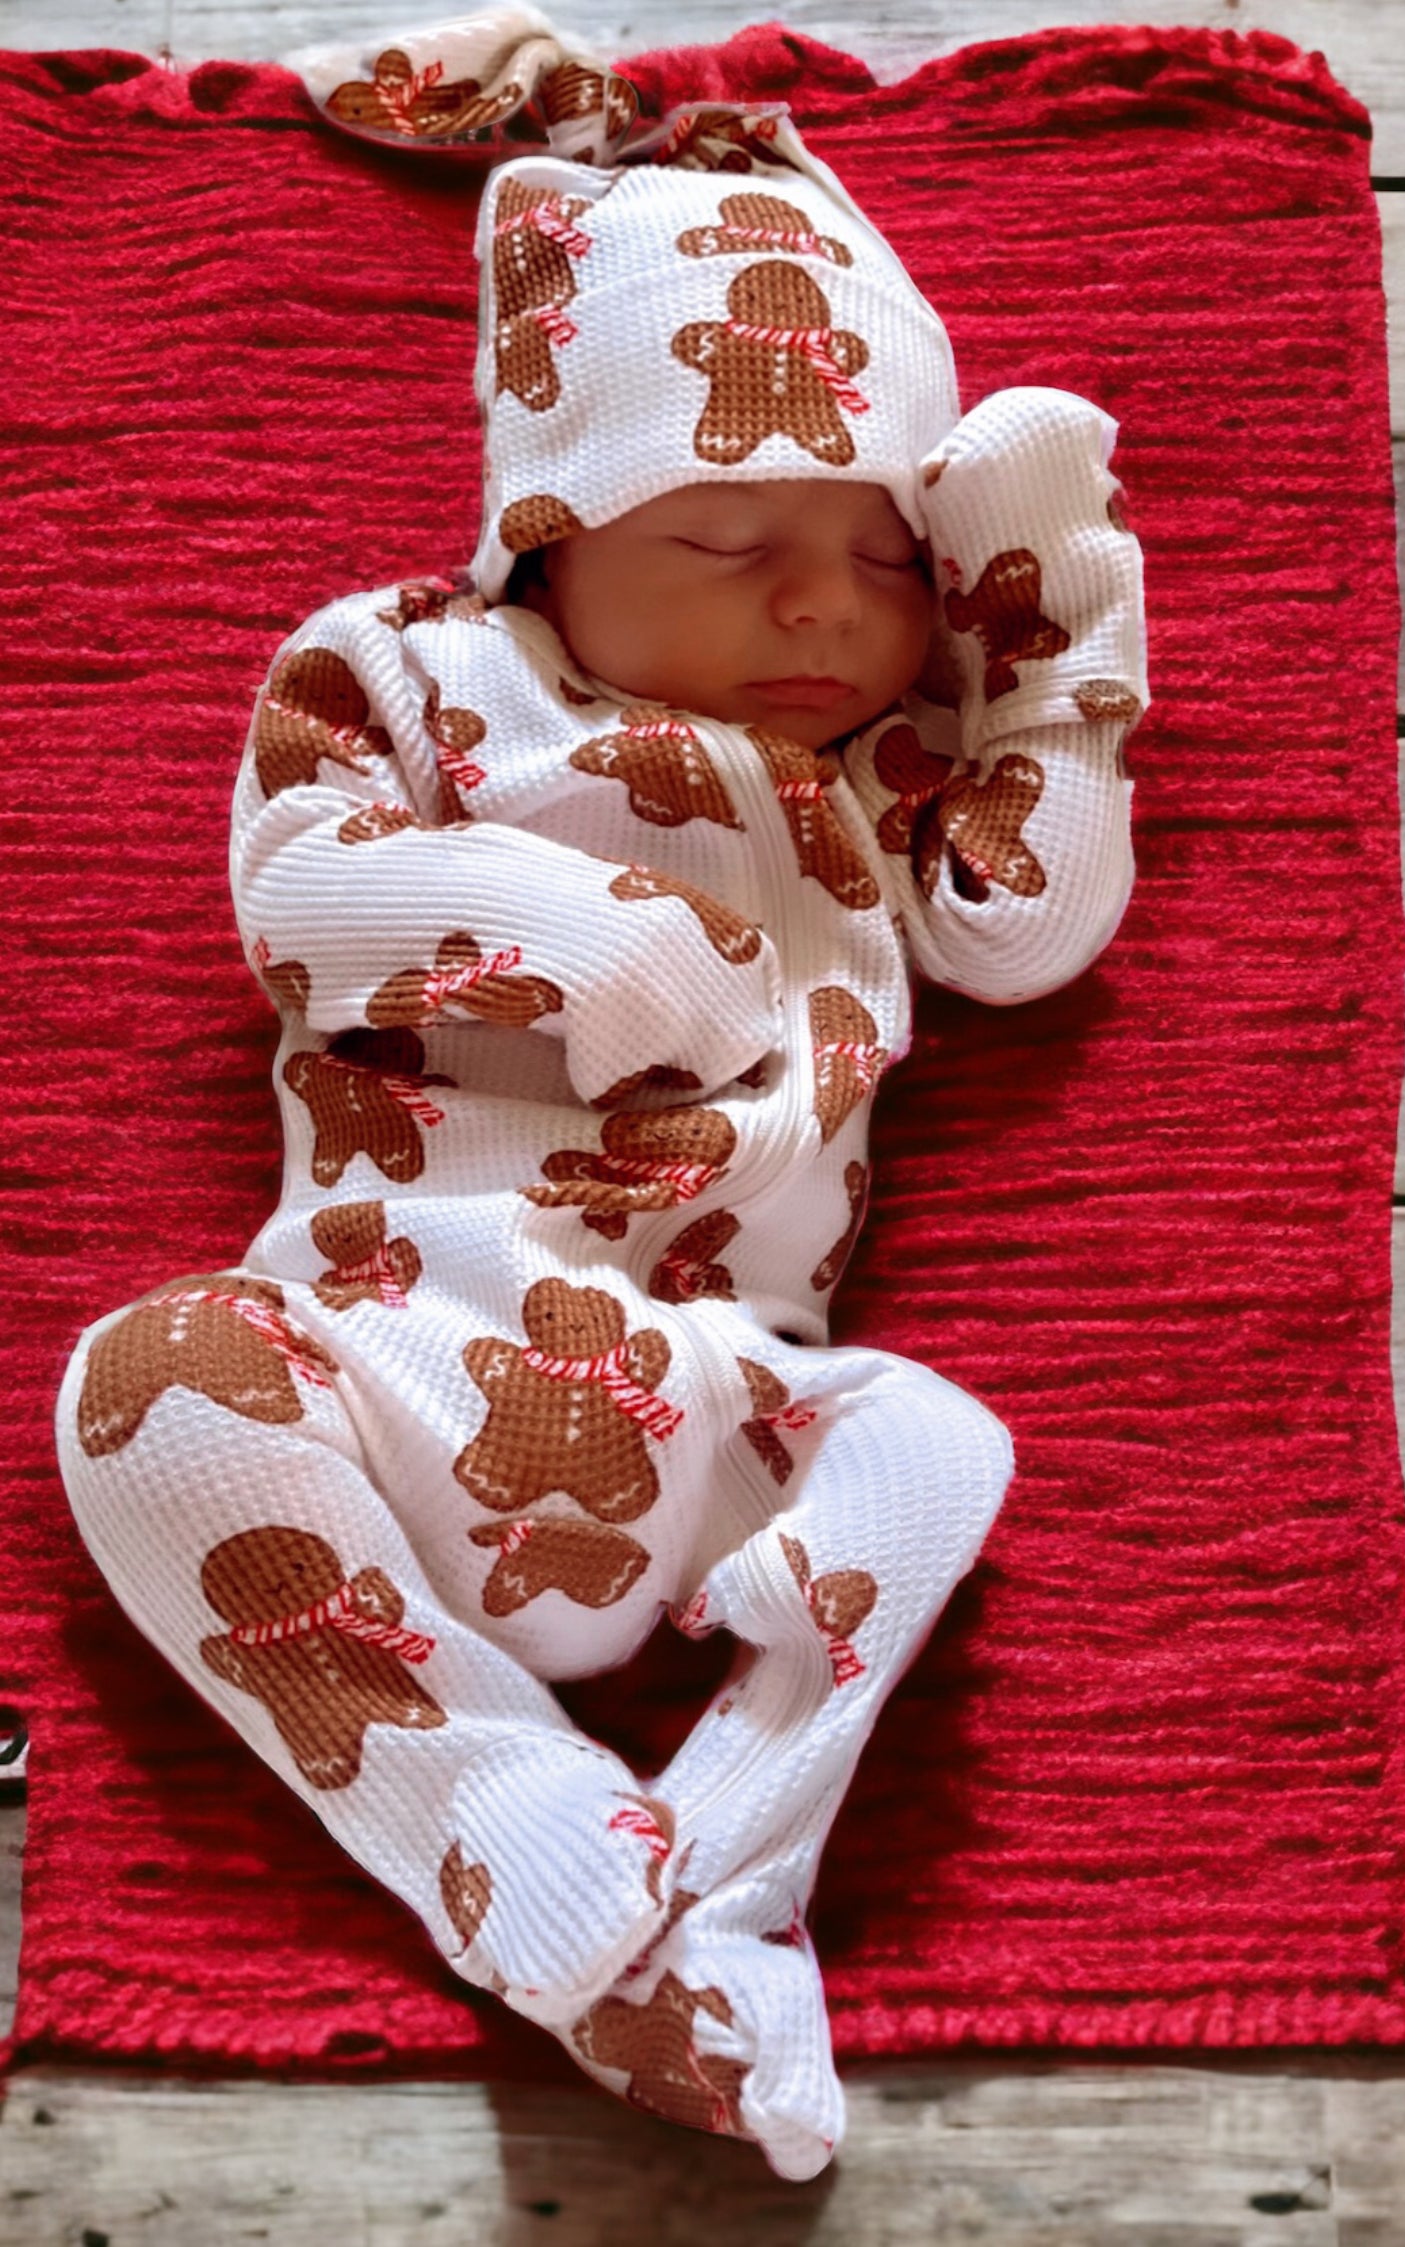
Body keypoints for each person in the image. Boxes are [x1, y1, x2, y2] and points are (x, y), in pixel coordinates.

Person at [53, 13, 1147, 2180]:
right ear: (546, 536)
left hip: (713, 1394)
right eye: (731, 540)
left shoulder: (886, 768)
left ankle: (707, 1872)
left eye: (883, 551)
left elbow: (1029, 932)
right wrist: (558, 932)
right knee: (147, 1382)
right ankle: (513, 1825)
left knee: (935, 1442)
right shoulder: (413, 668)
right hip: (378, 1333)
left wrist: (1052, 648)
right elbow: (296, 890)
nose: (827, 605)